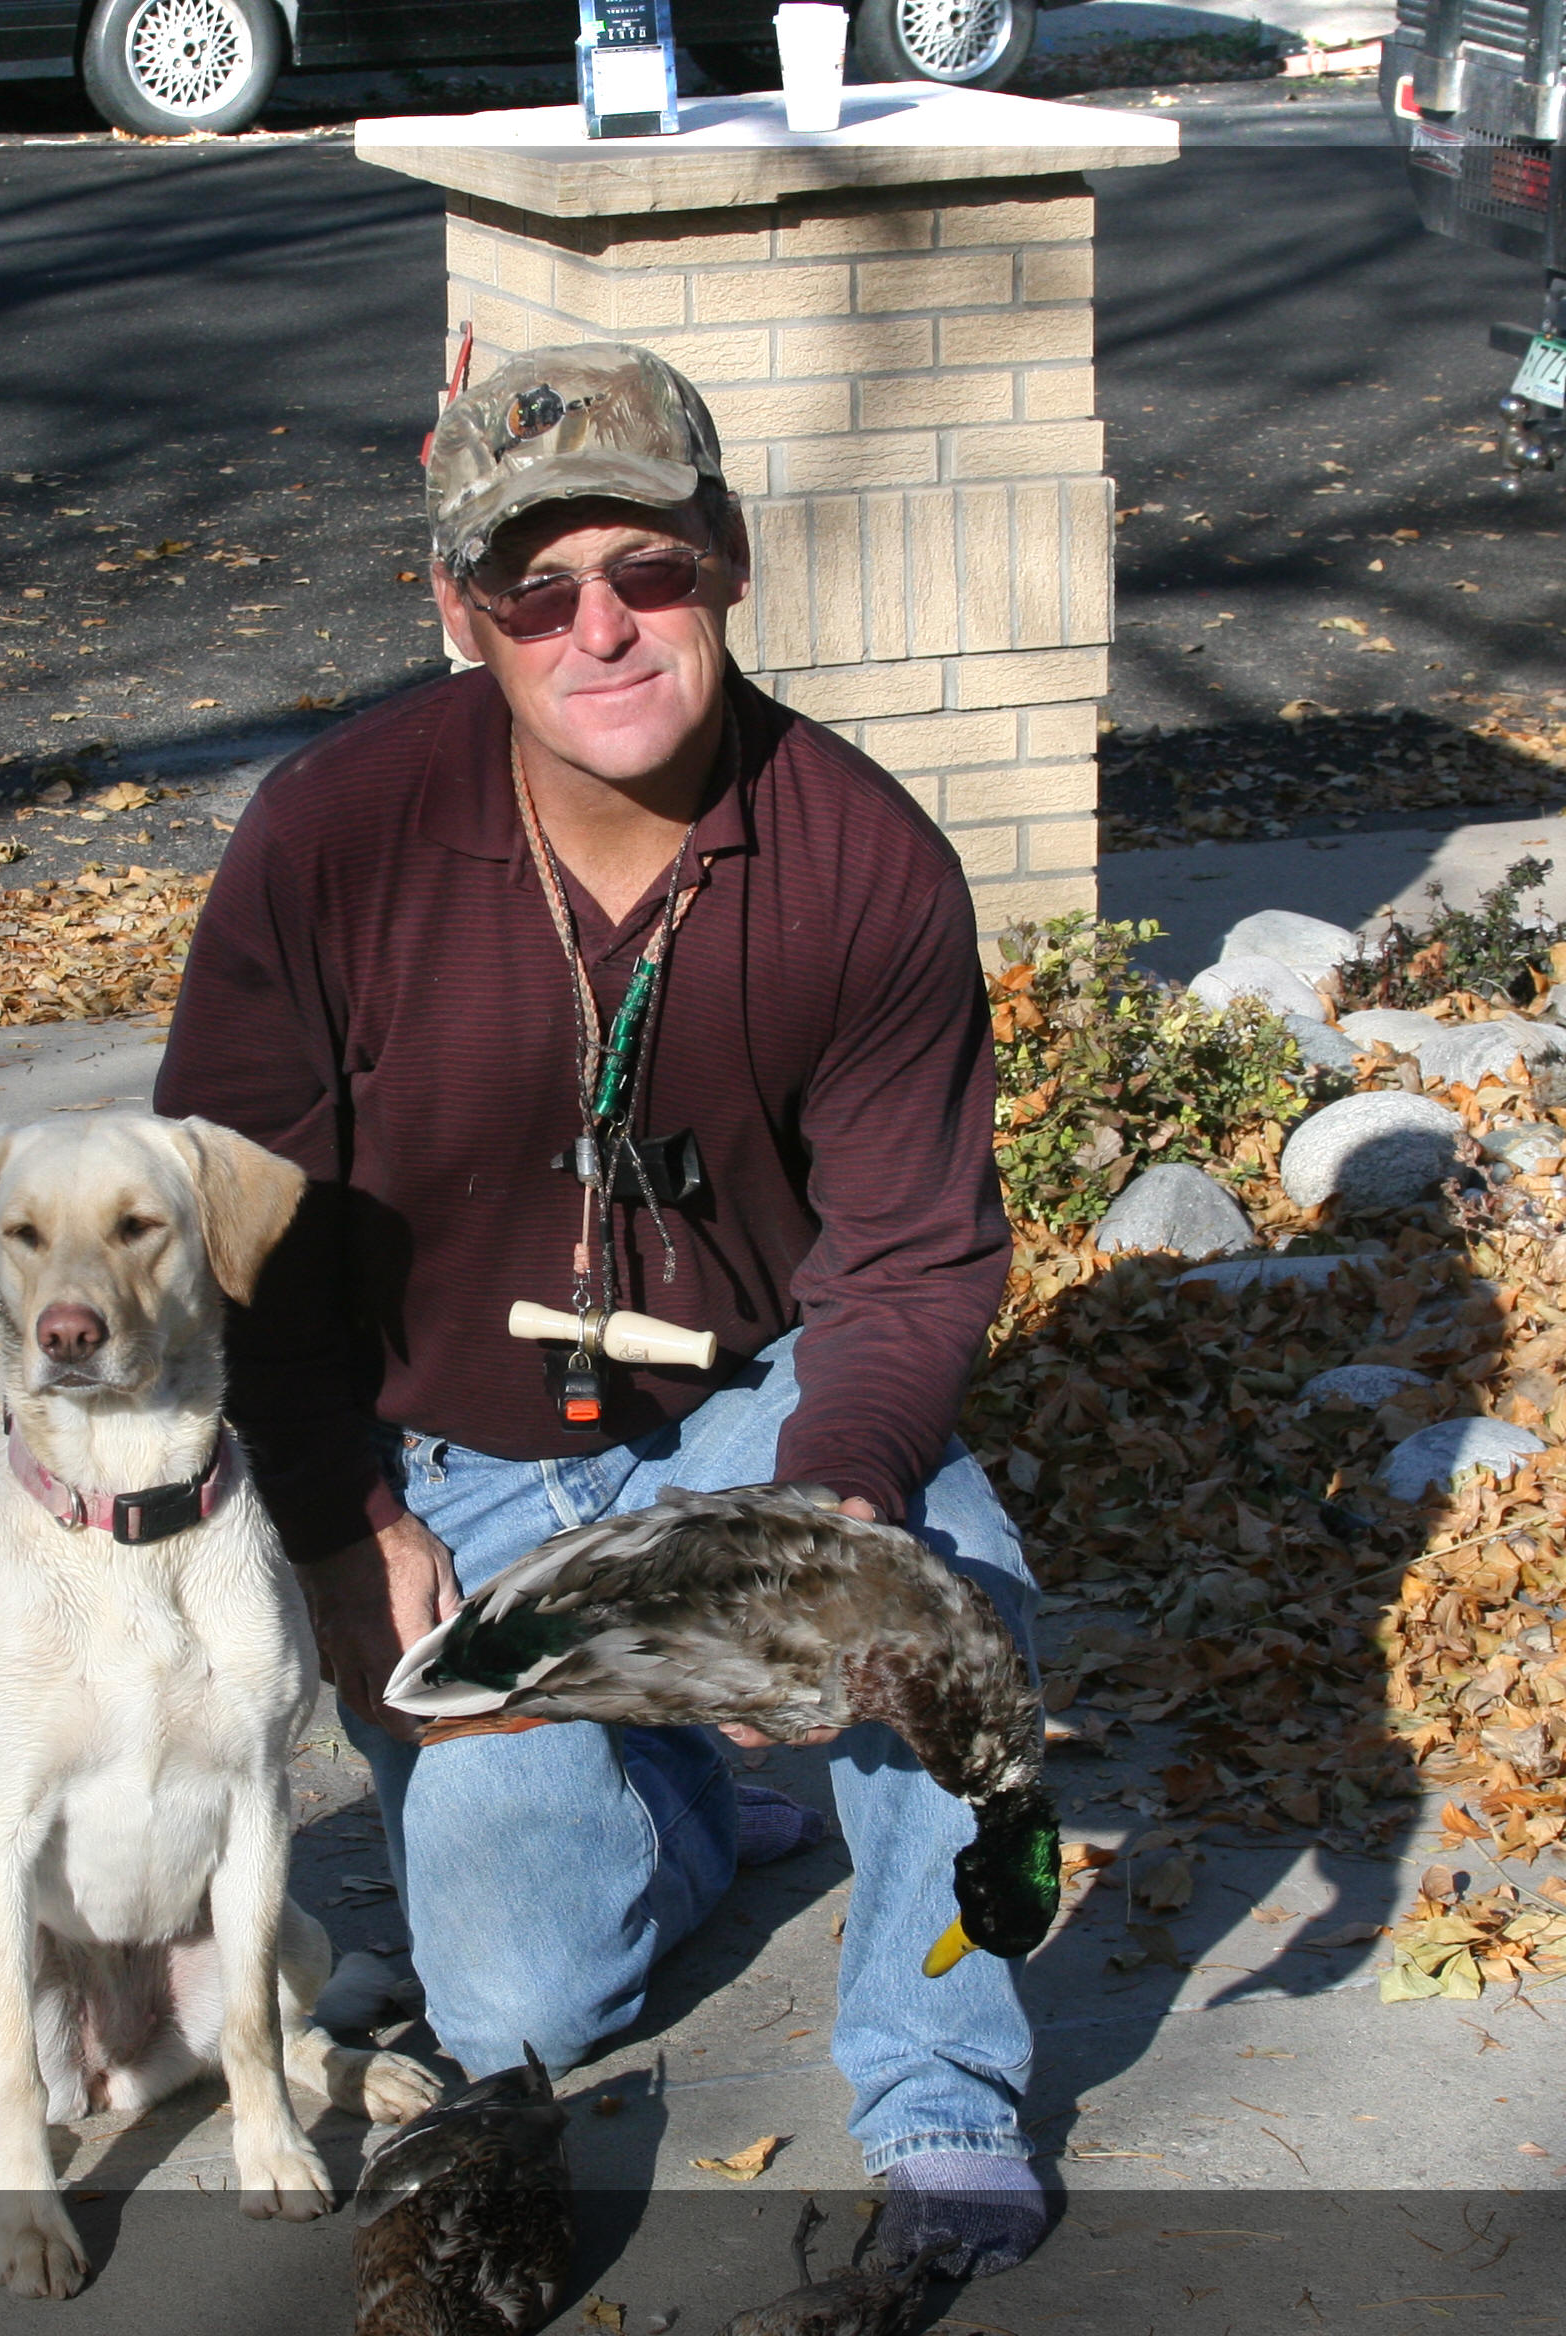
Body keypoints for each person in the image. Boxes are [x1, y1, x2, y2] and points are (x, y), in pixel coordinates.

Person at [153, 342, 1044, 2274]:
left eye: (647, 569)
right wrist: (333, 1515)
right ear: (458, 613)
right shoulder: (332, 837)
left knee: (954, 1603)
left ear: (726, 560)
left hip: (739, 1426)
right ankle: (693, 1801)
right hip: (445, 1481)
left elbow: (908, 1259)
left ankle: (943, 2081)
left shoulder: (864, 858)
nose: (602, 628)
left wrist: (845, 1501)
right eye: (534, 592)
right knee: (529, 2011)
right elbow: (230, 1225)